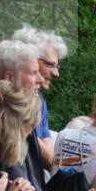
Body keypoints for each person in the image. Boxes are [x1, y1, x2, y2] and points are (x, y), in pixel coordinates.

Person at [12, 25, 68, 169]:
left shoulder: (39, 101)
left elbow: (49, 158)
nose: (56, 73)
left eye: (57, 66)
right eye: (51, 65)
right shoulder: (5, 100)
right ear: (30, 60)